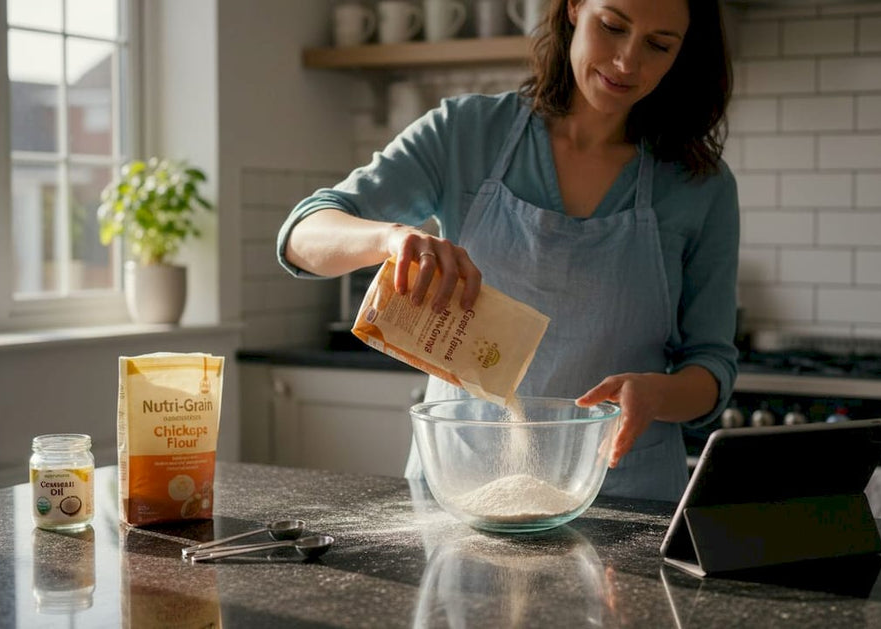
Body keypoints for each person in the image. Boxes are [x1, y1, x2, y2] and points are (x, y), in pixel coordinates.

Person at [278, 0, 738, 502]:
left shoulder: (699, 185)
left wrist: (658, 396)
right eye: (612, 26)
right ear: (574, 7)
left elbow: (711, 367)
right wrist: (390, 238)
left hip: (625, 496)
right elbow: (302, 236)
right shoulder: (465, 133)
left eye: (658, 45)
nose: (628, 61)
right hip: (464, 489)